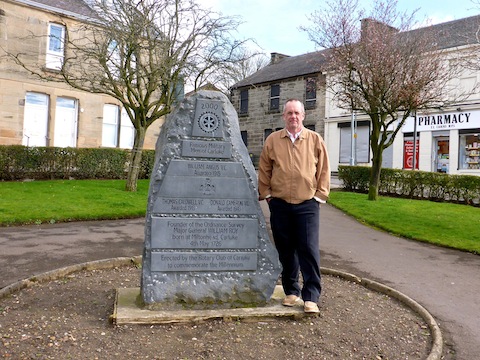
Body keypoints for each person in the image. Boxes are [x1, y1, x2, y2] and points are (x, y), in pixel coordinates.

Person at [258, 98, 330, 313]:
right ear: (284, 116)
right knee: (286, 250)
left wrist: (319, 196)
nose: (293, 117)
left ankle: (311, 296)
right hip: (280, 204)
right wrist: (268, 195)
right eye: (289, 113)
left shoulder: (315, 140)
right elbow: (264, 169)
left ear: (303, 116)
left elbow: (324, 170)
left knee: (307, 249)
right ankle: (291, 291)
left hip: (307, 204)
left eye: (297, 113)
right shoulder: (272, 140)